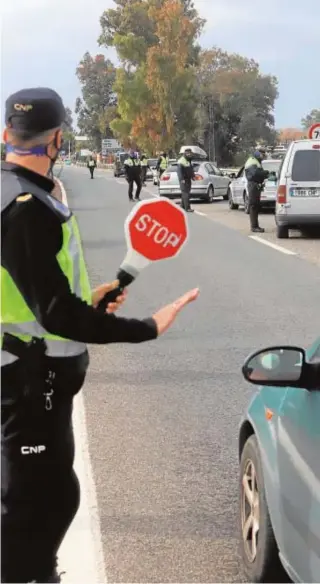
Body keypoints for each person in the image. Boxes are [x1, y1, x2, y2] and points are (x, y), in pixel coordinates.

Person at [1, 87, 200, 584]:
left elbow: (36, 291)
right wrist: (146, 328)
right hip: (28, 381)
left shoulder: (19, 192)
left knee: (49, 494)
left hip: (30, 374)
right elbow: (53, 313)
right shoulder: (26, 207)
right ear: (58, 140)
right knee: (30, 506)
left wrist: (87, 303)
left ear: (8, 135)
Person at [244, 147, 269, 233]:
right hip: (253, 185)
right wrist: (265, 173)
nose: (263, 156)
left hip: (254, 185)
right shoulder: (252, 161)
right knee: (254, 205)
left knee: (255, 205)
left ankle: (255, 226)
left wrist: (264, 175)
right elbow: (255, 174)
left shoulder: (255, 161)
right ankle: (254, 227)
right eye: (262, 154)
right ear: (258, 153)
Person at [177, 148, 195, 213]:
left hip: (188, 179)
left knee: (185, 193)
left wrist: (193, 176)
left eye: (190, 153)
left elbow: (190, 170)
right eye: (188, 153)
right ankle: (187, 208)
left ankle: (181, 207)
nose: (189, 154)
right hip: (184, 179)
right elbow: (179, 172)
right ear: (185, 153)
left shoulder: (188, 160)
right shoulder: (181, 161)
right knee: (186, 193)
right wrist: (182, 179)